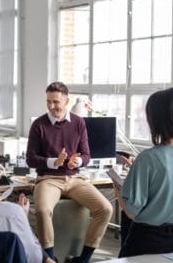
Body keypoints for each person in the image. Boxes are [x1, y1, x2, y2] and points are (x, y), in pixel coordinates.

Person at [26, 82, 113, 263]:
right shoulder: (38, 125)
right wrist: (54, 162)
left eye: (56, 102)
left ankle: (83, 259)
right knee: (42, 210)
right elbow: (31, 159)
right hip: (48, 179)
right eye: (48, 102)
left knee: (105, 209)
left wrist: (78, 161)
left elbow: (87, 155)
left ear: (67, 101)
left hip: (74, 178)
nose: (51, 106)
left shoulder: (79, 123)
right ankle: (50, 258)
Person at [115, 87, 173, 257]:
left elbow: (131, 211)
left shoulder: (148, 159)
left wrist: (118, 189)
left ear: (156, 120)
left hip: (146, 242)